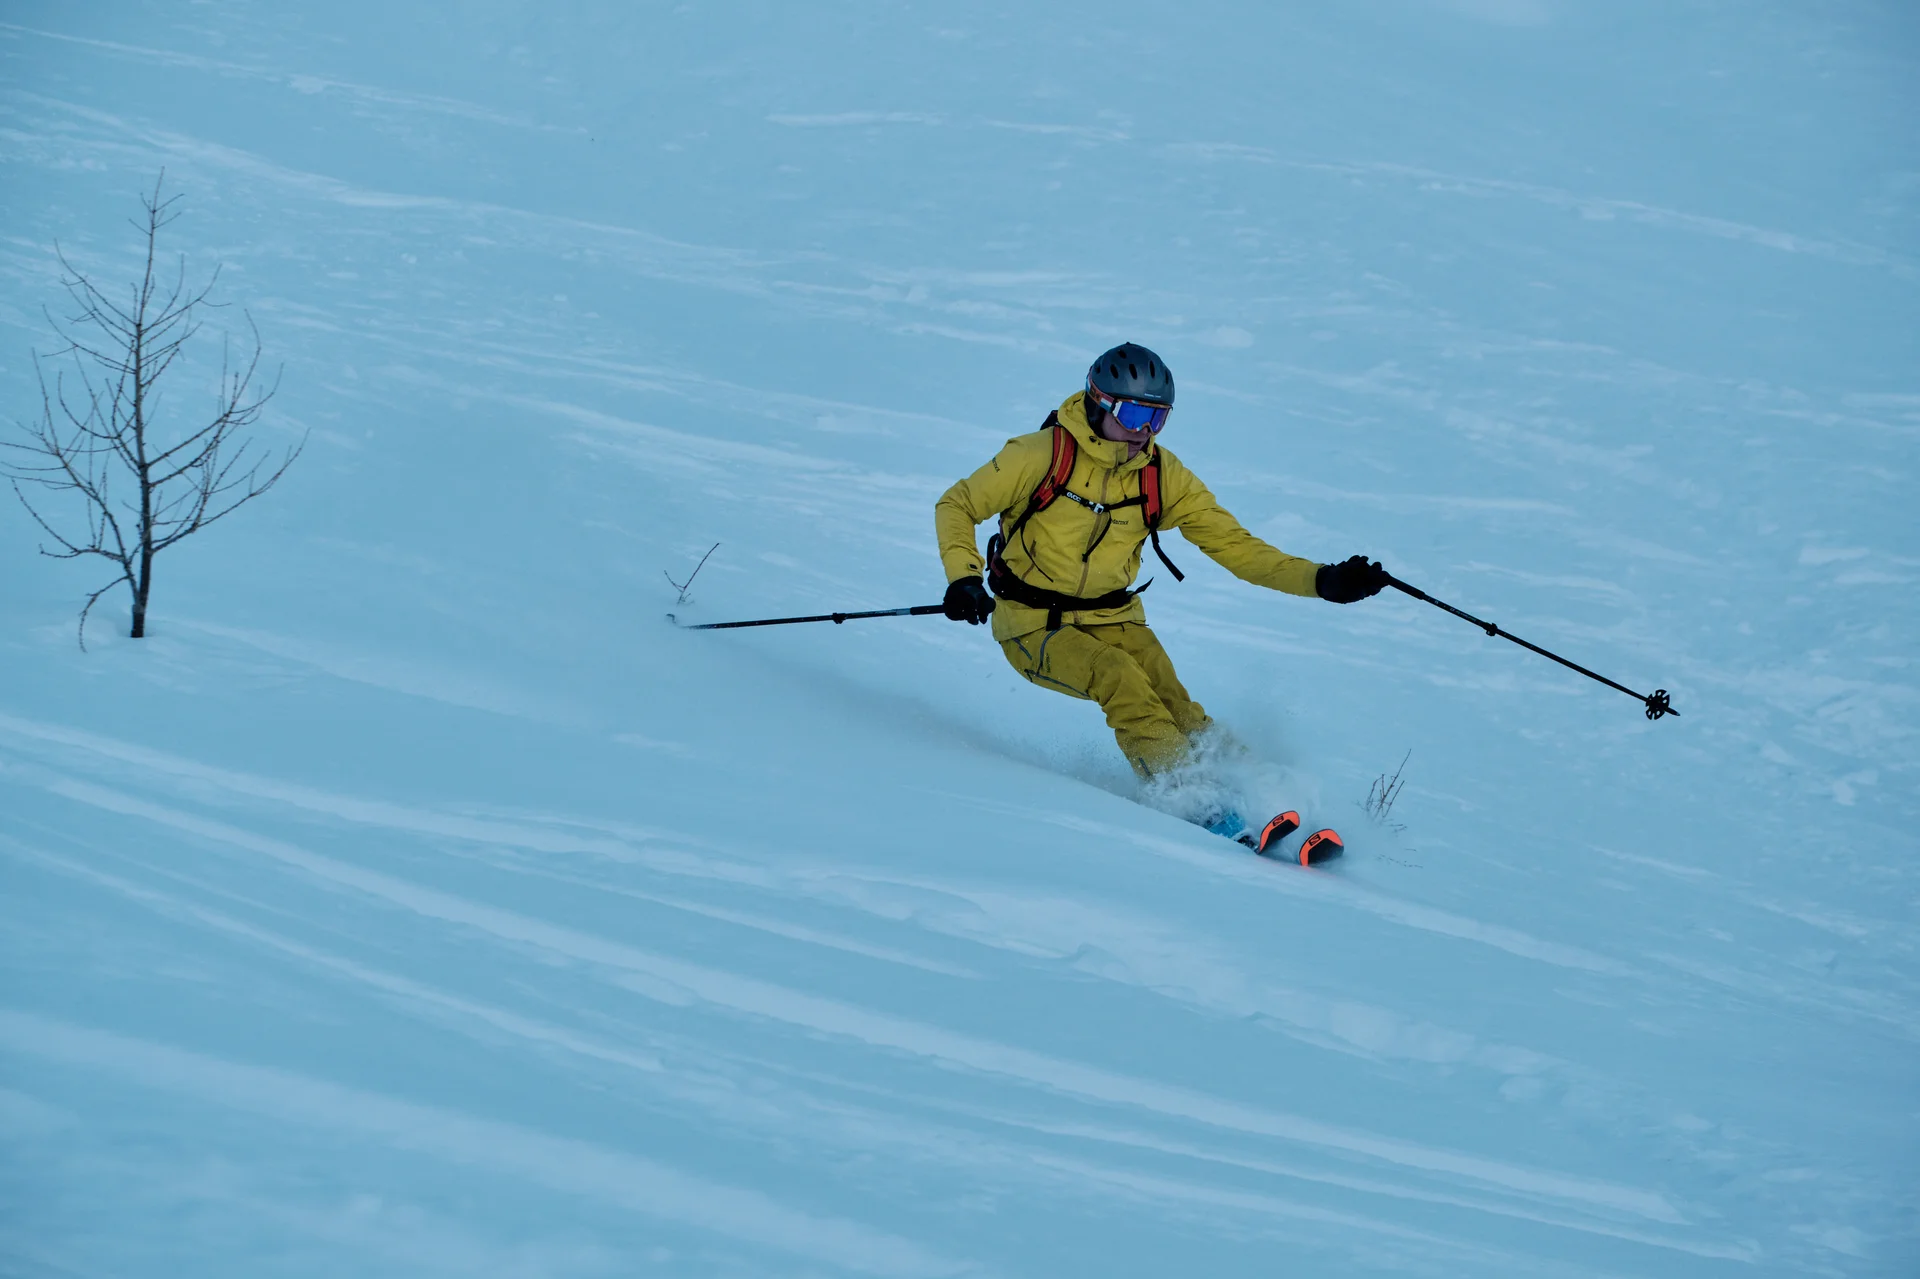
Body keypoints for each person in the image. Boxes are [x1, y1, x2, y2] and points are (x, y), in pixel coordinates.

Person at [934, 342, 1388, 779]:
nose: (1144, 431)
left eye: (1158, 418)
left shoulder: (1160, 474)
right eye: (1134, 414)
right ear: (1099, 404)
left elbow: (1236, 546)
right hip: (1032, 624)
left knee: (1174, 701)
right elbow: (957, 505)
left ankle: (1257, 788)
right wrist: (964, 579)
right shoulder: (1041, 455)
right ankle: (1187, 795)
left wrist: (1321, 579)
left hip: (1115, 617)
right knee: (1119, 679)